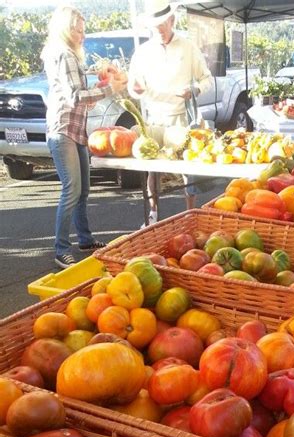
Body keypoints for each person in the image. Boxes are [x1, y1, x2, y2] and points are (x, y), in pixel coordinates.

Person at [41, 6, 127, 269]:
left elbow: (79, 94)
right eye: (77, 30)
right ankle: (60, 249)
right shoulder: (64, 54)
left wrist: (100, 87)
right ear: (64, 29)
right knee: (72, 189)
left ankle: (85, 239)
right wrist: (109, 90)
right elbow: (75, 97)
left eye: (83, 30)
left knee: (83, 190)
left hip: (75, 129)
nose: (82, 35)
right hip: (63, 129)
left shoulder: (68, 54)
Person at [128, 0, 213, 225]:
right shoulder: (142, 53)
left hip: (182, 118)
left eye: (163, 27)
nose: (160, 32)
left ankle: (190, 214)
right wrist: (135, 90)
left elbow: (207, 79)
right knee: (152, 169)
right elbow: (133, 86)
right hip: (154, 118)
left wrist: (195, 89)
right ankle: (153, 214)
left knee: (188, 168)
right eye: (155, 29)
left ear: (172, 20)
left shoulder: (188, 47)